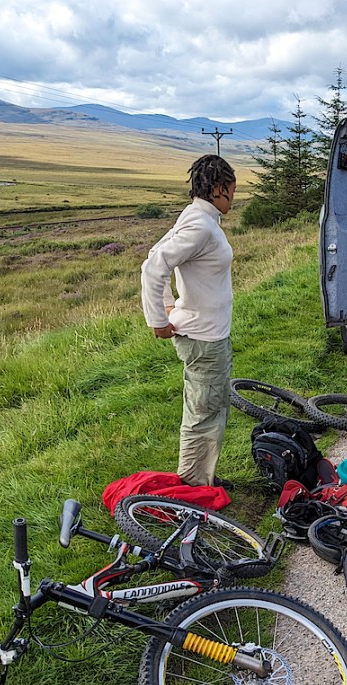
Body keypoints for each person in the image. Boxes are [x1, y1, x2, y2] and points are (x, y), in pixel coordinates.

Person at [140, 155, 237, 488]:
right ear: (218, 188)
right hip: (203, 337)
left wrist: (169, 306)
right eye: (232, 189)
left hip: (208, 334)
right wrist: (158, 318)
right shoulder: (199, 224)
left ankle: (201, 477)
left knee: (210, 408)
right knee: (203, 414)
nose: (233, 197)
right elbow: (153, 267)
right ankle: (194, 488)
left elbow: (154, 255)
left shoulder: (199, 217)